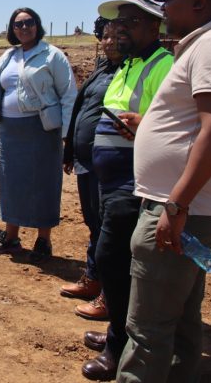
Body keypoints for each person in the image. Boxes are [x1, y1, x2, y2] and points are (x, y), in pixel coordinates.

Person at [116, 0, 211, 382]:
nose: (162, 7)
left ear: (198, 1)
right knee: (181, 313)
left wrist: (176, 203)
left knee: (148, 326)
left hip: (179, 208)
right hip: (183, 205)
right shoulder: (204, 45)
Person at [81, 0, 173, 381]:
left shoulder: (163, 66)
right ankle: (117, 334)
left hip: (132, 183)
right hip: (110, 180)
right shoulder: (128, 65)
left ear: (154, 27)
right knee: (113, 260)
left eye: (130, 22)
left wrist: (144, 125)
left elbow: (173, 123)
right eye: (117, 23)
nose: (119, 29)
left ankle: (120, 346)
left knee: (114, 262)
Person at [0, 7, 77, 261]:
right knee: (11, 182)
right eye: (18, 24)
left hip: (42, 129)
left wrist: (68, 135)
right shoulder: (7, 57)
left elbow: (68, 95)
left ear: (37, 25)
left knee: (44, 183)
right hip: (10, 130)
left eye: (28, 22)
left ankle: (43, 241)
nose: (23, 28)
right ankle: (11, 237)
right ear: (12, 29)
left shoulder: (52, 55)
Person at [61, 18, 123, 309]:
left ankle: (109, 295)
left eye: (116, 36)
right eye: (106, 36)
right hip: (86, 160)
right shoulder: (102, 69)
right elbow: (82, 108)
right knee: (93, 223)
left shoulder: (127, 73)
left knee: (107, 228)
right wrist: (70, 148)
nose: (109, 42)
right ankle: (94, 278)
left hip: (109, 164)